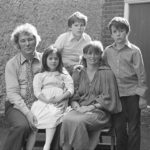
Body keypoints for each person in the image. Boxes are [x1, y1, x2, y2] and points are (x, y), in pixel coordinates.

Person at [60, 41, 122, 150]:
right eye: (89, 53)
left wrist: (91, 107)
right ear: (84, 55)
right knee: (66, 119)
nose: (92, 56)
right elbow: (73, 96)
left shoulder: (107, 73)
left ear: (100, 55)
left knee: (79, 122)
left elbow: (109, 97)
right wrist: (78, 107)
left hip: (100, 112)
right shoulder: (78, 72)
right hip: (79, 109)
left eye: (96, 53)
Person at [103, 17, 148, 150]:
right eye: (115, 31)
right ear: (111, 34)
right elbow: (102, 68)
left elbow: (141, 74)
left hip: (133, 93)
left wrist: (143, 97)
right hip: (116, 95)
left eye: (121, 31)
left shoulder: (134, 51)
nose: (118, 34)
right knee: (119, 128)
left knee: (134, 127)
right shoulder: (108, 51)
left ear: (127, 32)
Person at [4, 23, 42, 150]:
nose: (27, 44)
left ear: (36, 40)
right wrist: (28, 113)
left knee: (59, 122)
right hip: (17, 105)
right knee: (22, 126)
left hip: (41, 104)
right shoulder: (12, 64)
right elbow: (13, 94)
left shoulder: (46, 59)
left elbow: (59, 76)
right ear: (18, 44)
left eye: (30, 39)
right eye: (23, 41)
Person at [29, 46, 74, 150]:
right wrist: (47, 100)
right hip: (44, 101)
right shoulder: (40, 75)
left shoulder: (63, 74)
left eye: (56, 58)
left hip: (58, 102)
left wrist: (61, 98)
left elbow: (70, 89)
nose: (53, 61)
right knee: (36, 116)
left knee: (54, 114)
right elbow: (37, 91)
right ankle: (30, 146)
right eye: (50, 58)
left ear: (59, 60)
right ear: (45, 60)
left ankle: (47, 145)